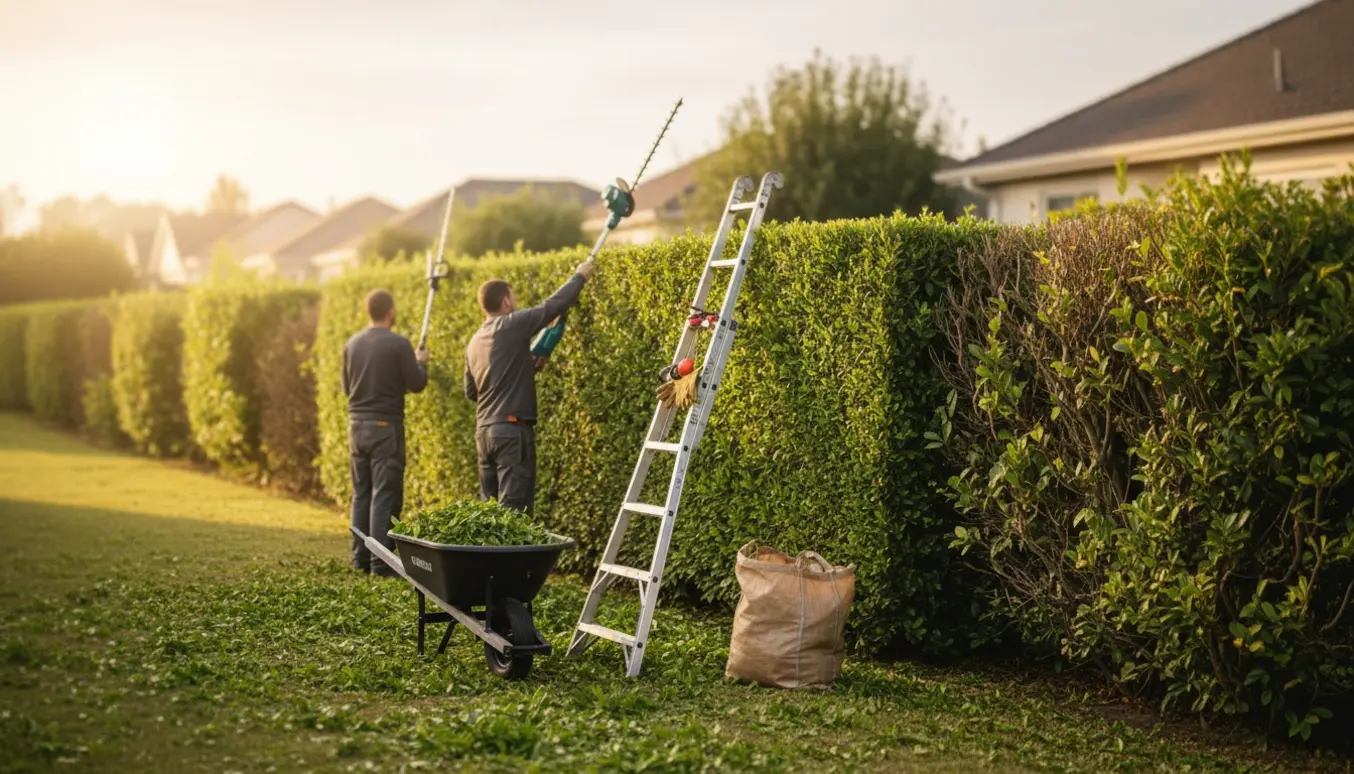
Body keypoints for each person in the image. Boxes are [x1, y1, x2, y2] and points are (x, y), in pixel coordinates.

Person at [464, 260, 595, 516]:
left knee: (488, 515)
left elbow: (473, 392)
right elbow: (552, 307)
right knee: (514, 514)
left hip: (484, 433)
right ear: (505, 302)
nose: (515, 303)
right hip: (512, 432)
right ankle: (510, 558)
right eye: (513, 299)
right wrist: (580, 276)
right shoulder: (512, 323)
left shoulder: (474, 341)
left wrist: (525, 366)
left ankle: (487, 558)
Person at [343, 288, 428, 576]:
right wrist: (421, 363)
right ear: (390, 312)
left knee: (361, 493)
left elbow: (347, 388)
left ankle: (360, 560)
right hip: (384, 427)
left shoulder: (351, 344)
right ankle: (381, 563)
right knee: (383, 494)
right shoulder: (399, 344)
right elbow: (416, 383)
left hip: (356, 425)